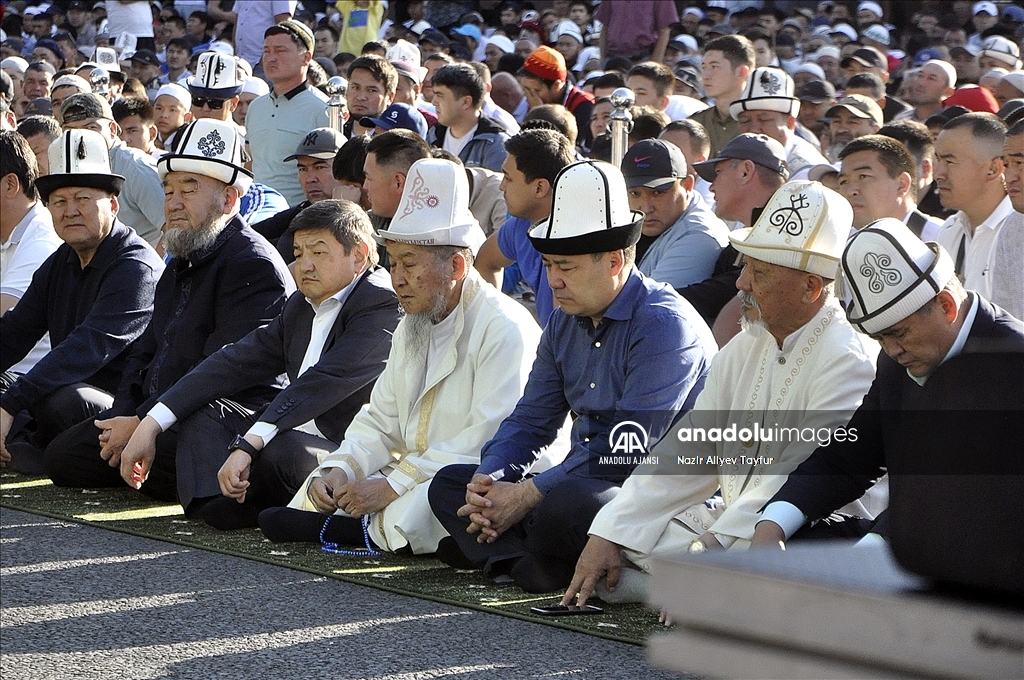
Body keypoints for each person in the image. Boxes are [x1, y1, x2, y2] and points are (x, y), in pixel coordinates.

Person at [562, 181, 881, 608]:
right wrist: (611, 531)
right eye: (745, 266)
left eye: (760, 272)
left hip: (807, 529)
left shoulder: (848, 358)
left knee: (774, 553)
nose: (742, 283)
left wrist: (713, 546)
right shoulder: (747, 344)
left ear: (811, 287)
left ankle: (681, 586)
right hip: (730, 526)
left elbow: (795, 479)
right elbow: (690, 447)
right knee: (613, 520)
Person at [428, 159, 718, 593]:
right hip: (579, 478)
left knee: (569, 503)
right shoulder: (565, 319)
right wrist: (489, 480)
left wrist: (528, 495)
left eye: (567, 267)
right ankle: (530, 562)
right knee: (450, 483)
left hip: (652, 489)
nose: (554, 281)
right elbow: (531, 420)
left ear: (615, 260)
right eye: (548, 266)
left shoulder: (664, 323)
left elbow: (628, 447)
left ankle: (522, 559)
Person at [258, 159, 542, 556]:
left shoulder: (503, 325)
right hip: (414, 468)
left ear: (457, 266)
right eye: (394, 263)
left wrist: (392, 485)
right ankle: (345, 521)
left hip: (482, 473)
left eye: (410, 264)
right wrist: (340, 469)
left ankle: (351, 532)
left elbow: (489, 439)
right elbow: (381, 418)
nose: (398, 278)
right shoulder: (414, 322)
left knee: (449, 492)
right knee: (331, 483)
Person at [42, 119, 294, 502]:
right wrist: (126, 415)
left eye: (188, 190)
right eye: (168, 190)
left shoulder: (252, 264)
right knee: (63, 459)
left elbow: (218, 372)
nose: (173, 203)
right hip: (158, 415)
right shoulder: (182, 258)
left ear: (228, 199)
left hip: (220, 418)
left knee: (186, 452)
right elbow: (147, 353)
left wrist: (145, 422)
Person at [751, 220, 1024, 570]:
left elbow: (968, 501)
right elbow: (849, 457)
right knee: (796, 540)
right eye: (880, 338)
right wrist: (772, 526)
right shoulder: (899, 358)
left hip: (993, 561)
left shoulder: (1011, 366)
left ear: (945, 305)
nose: (891, 350)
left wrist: (869, 554)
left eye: (899, 333)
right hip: (920, 541)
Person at [119, 200, 399, 528]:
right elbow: (232, 361)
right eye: (298, 253)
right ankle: (221, 507)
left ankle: (263, 504)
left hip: (350, 451)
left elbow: (321, 382)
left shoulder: (382, 302)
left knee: (281, 449)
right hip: (288, 434)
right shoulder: (301, 303)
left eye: (319, 252)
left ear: (361, 254)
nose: (305, 265)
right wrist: (151, 423)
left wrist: (248, 444)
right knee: (204, 416)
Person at [1, 129, 163, 474]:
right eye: (60, 202)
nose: (70, 211)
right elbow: (14, 332)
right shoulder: (62, 260)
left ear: (113, 204)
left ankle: (25, 448)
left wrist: (10, 405)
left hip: (124, 410)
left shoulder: (136, 266)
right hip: (63, 397)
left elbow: (85, 348)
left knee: (61, 401)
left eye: (83, 198)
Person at [474, 128, 575, 325]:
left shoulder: (575, 237)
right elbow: (486, 262)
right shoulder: (521, 225)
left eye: (508, 178)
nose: (502, 186)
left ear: (540, 188)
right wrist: (491, 325)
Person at [57, 93, 166, 250]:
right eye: (71, 131)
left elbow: (173, 229)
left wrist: (156, 271)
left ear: (113, 130)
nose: (82, 137)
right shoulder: (71, 168)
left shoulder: (136, 168)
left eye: (91, 128)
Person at [620, 139, 728, 289]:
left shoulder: (699, 236)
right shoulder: (632, 220)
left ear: (688, 185)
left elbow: (645, 306)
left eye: (658, 192)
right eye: (634, 193)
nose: (646, 207)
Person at [246, 20, 329, 207]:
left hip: (299, 215)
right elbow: (252, 162)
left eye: (280, 51)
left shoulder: (322, 108)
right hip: (256, 212)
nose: (271, 58)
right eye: (266, 51)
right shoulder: (256, 107)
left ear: (306, 57)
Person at [933, 113, 1013, 301]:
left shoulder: (1017, 232)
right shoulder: (950, 229)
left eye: (950, 162)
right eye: (938, 160)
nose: (938, 174)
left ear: (993, 169)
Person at [251, 127, 346, 259]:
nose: (310, 179)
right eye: (303, 169)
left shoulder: (366, 217)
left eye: (319, 167)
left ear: (343, 169)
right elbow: (247, 236)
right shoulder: (300, 212)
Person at [837, 134, 944, 239]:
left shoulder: (942, 238)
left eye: (864, 176)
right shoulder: (838, 243)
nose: (851, 191)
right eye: (843, 181)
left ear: (902, 184)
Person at [731, 67, 829, 179]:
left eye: (764, 119)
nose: (753, 128)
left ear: (790, 123)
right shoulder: (736, 158)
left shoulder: (807, 171)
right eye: (745, 120)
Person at [427, 63, 510, 174]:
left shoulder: (495, 144)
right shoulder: (434, 135)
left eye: (440, 95)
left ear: (466, 102)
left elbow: (497, 189)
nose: (434, 102)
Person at [518, 46, 595, 151]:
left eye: (536, 91)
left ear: (556, 85)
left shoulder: (584, 105)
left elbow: (577, 150)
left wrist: (541, 114)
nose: (530, 97)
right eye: (526, 89)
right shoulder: (530, 101)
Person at [690, 36, 754, 158]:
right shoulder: (697, 122)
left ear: (741, 72)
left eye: (714, 67)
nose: (705, 76)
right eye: (704, 68)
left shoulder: (758, 124)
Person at [990, 119, 1024, 320]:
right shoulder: (1012, 228)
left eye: (1019, 163)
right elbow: (1008, 323)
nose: (1010, 176)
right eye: (1007, 164)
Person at [344, 54, 396, 139]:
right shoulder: (335, 131)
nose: (361, 97)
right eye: (355, 88)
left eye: (371, 90)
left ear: (390, 97)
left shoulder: (394, 140)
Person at [824, 93, 884, 162]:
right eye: (837, 121)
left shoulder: (884, 169)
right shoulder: (820, 168)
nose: (841, 130)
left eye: (852, 122)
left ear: (875, 130)